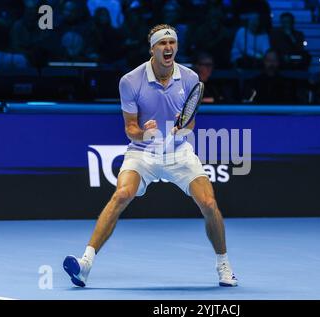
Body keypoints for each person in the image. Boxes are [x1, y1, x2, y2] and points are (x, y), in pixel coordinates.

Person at [63, 24, 238, 288]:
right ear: (152, 49)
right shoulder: (130, 81)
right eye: (162, 44)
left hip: (179, 152)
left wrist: (182, 128)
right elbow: (129, 128)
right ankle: (85, 264)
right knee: (121, 194)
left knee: (209, 203)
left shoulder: (190, 79)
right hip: (143, 152)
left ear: (176, 47)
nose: (168, 48)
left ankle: (224, 265)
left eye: (172, 43)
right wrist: (144, 134)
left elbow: (191, 123)